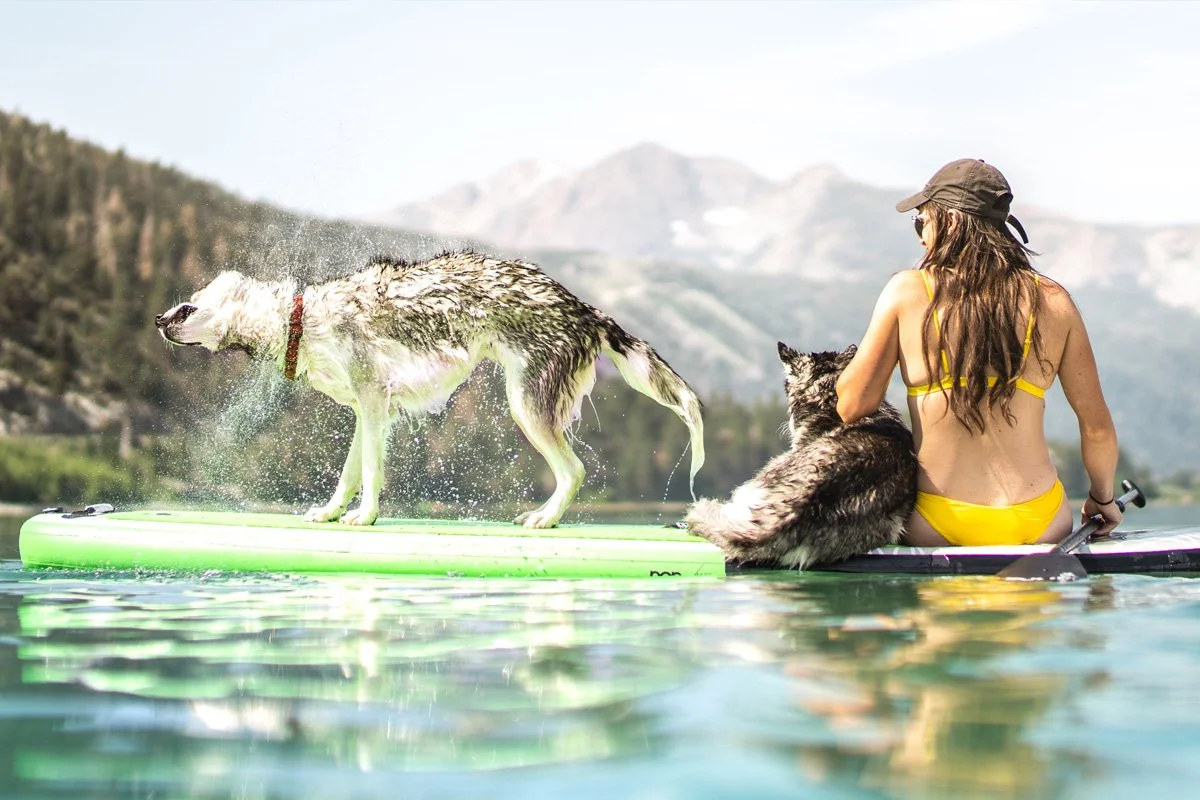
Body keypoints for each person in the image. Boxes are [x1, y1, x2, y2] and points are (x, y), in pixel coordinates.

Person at [834, 158, 1122, 546]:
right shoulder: (1054, 302)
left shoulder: (908, 291)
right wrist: (1101, 498)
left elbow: (852, 406)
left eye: (922, 221)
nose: (920, 236)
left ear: (949, 221)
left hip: (937, 520)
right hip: (1039, 521)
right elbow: (1097, 428)